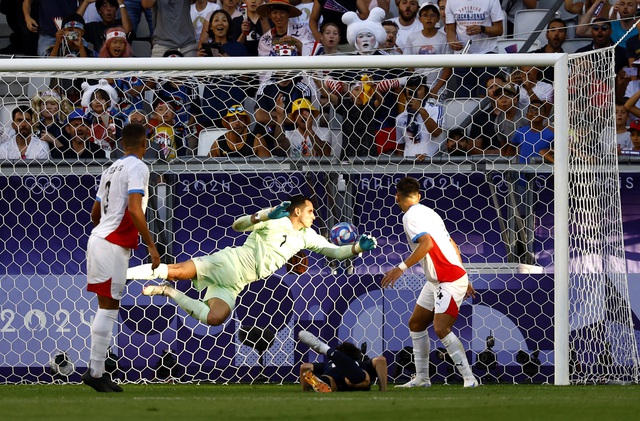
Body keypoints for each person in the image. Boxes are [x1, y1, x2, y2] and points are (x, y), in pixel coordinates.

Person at [126, 195, 378, 326]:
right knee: (177, 270)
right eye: (311, 211)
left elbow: (334, 252)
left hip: (236, 283)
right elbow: (237, 226)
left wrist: (357, 248)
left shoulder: (307, 236)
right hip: (230, 263)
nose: (314, 215)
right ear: (298, 211)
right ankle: (124, 275)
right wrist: (265, 215)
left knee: (215, 318)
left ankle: (168, 293)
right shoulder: (275, 219)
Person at [82, 122, 160, 393]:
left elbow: (94, 213)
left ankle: (97, 371)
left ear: (120, 143)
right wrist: (151, 245)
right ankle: (96, 371)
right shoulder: (138, 167)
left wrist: (105, 230)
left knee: (106, 306)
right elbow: (136, 209)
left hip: (99, 239)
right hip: (111, 244)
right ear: (145, 144)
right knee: (108, 308)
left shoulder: (110, 168)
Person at [381, 176, 477, 388]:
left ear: (397, 197)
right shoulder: (429, 212)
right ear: (419, 196)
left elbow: (427, 244)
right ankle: (422, 378)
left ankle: (470, 379)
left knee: (441, 328)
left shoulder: (409, 217)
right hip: (439, 279)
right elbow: (452, 243)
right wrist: (465, 273)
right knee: (416, 324)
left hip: (448, 278)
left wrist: (400, 268)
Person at [445, 0, 503, 97]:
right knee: (465, 97)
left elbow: (499, 29)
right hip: (463, 55)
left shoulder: (491, 1)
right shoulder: (451, 1)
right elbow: (450, 30)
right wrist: (452, 41)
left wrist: (482, 29)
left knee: (487, 97)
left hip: (487, 53)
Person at [298, 331, 388, 392]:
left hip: (334, 378)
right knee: (361, 377)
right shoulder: (361, 363)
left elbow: (305, 367)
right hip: (355, 376)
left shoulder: (328, 365)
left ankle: (320, 380)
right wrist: (383, 389)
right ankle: (327, 350)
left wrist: (305, 390)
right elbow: (381, 360)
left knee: (328, 380)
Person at [406, 1, 451, 98]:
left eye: (432, 15)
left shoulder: (444, 39)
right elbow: (409, 66)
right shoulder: (412, 38)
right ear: (420, 19)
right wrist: (417, 86)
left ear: (438, 18)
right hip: (417, 88)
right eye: (425, 15)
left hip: (438, 89)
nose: (429, 18)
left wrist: (435, 89)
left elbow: (448, 69)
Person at [395, 75, 444, 160]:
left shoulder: (436, 110)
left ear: (426, 91)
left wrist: (421, 110)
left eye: (418, 89)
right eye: (410, 89)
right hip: (409, 166)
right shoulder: (400, 118)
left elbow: (436, 132)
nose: (414, 92)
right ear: (405, 92)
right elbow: (400, 147)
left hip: (432, 164)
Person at [508, 99, 554, 163]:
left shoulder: (551, 134)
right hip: (523, 171)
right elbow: (511, 149)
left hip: (542, 171)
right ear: (527, 115)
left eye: (540, 109)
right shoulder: (520, 132)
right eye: (532, 109)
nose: (535, 112)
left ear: (544, 115)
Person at [531, 18, 567, 84]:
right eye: (553, 30)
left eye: (561, 31)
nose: (556, 33)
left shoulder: (567, 62)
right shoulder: (532, 56)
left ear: (565, 36)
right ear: (547, 35)